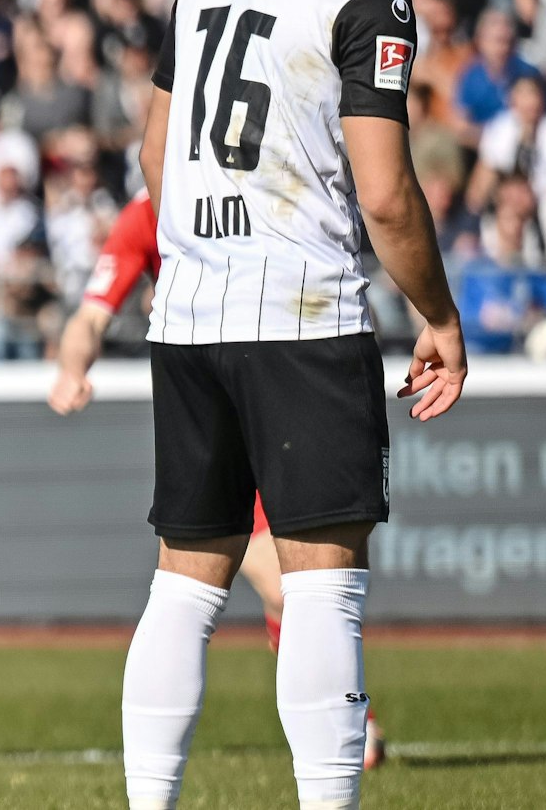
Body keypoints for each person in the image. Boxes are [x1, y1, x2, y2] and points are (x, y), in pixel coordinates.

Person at [121, 0, 466, 810]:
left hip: (188, 312)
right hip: (301, 311)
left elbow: (152, 152)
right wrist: (438, 317)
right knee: (324, 583)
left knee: (183, 587)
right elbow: (387, 196)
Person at [49, 195, 386, 771]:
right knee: (260, 587)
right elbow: (90, 314)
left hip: (283, 378)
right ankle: (343, 732)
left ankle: (341, 726)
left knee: (301, 582)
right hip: (217, 401)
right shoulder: (148, 212)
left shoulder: (250, 178)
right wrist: (71, 368)